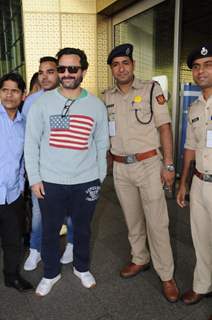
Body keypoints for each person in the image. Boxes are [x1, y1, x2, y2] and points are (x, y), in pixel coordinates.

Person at [24, 47, 109, 296]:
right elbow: (31, 143)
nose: (67, 73)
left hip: (86, 181)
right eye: (62, 68)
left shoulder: (96, 106)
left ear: (83, 70)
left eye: (73, 68)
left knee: (82, 229)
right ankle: (50, 273)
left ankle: (81, 268)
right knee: (50, 231)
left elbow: (102, 144)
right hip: (50, 181)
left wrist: (99, 176)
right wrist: (35, 178)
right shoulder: (42, 103)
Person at [103, 43, 179, 302]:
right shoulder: (107, 97)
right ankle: (140, 258)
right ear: (112, 69)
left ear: (133, 65)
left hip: (148, 165)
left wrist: (168, 165)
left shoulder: (150, 90)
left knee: (157, 222)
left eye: (125, 62)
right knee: (132, 219)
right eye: (115, 64)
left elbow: (165, 128)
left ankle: (166, 274)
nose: (121, 68)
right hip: (121, 167)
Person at [22, 56, 74, 271]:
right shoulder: (31, 102)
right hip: (41, 170)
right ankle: (36, 249)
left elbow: (65, 135)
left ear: (59, 73)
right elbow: (27, 136)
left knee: (70, 212)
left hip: (68, 169)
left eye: (50, 71)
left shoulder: (69, 99)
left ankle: (72, 244)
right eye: (41, 72)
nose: (45, 76)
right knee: (38, 213)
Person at [177, 44, 212, 305]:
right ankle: (203, 284)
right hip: (200, 182)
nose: (201, 71)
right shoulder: (196, 107)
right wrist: (183, 184)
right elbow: (190, 146)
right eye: (197, 67)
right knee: (200, 238)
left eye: (208, 64)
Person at [0, 72, 33, 292]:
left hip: (12, 194)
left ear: (23, 95)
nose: (9, 95)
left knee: (14, 240)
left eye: (14, 91)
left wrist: (21, 187)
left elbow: (22, 160)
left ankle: (11, 276)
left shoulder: (24, 125)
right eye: (4, 90)